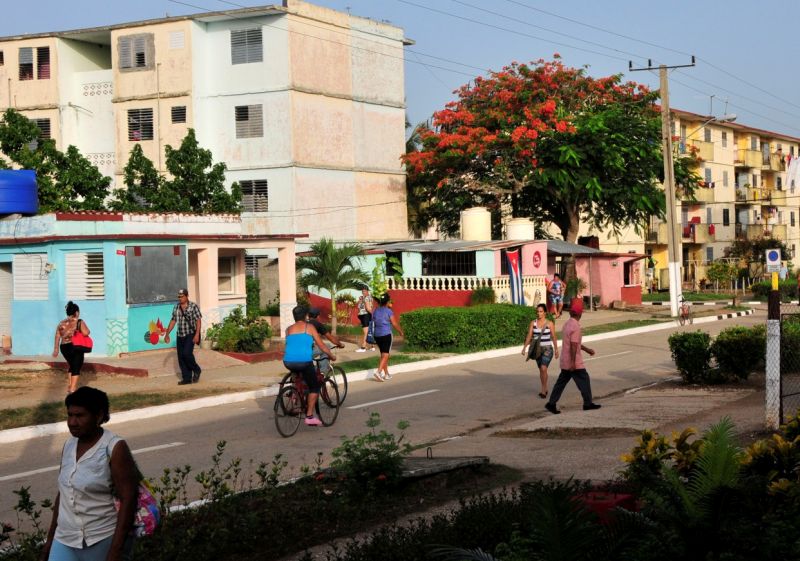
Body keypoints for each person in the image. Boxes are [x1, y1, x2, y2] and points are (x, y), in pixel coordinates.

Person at [40, 386, 138, 561]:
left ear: (98, 416)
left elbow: (129, 498)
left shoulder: (114, 447)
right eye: (70, 415)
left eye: (79, 416)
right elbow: (63, 494)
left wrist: (115, 551)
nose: (72, 422)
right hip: (64, 540)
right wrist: (50, 541)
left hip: (102, 538)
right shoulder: (69, 445)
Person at [544, 298, 601, 414]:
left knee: (561, 383)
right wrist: (574, 363)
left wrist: (587, 350)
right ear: (580, 314)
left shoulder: (567, 324)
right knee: (584, 379)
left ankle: (551, 404)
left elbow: (575, 343)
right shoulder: (576, 327)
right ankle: (587, 403)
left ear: (570, 312)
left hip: (565, 360)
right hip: (573, 362)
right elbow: (574, 346)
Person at [283, 305, 337, 426]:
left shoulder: (288, 329)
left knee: (298, 377)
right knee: (315, 387)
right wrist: (332, 356)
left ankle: (295, 393)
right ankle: (309, 416)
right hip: (304, 361)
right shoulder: (310, 327)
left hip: (287, 361)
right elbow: (322, 346)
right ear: (306, 316)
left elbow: (292, 345)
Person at [164, 288, 202, 386]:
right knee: (181, 357)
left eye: (182, 296)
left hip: (190, 334)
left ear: (186, 296)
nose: (180, 298)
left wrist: (197, 334)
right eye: (179, 297)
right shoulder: (176, 307)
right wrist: (167, 334)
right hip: (180, 335)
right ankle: (187, 378)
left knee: (186, 354)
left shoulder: (193, 306)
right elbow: (173, 320)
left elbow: (198, 320)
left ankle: (196, 369)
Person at [521, 303, 559, 399]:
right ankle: (545, 388)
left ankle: (543, 389)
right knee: (541, 370)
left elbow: (554, 337)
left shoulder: (550, 323)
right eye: (537, 311)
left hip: (547, 349)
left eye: (541, 311)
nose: (539, 313)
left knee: (543, 368)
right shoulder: (533, 323)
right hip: (537, 350)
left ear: (545, 313)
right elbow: (529, 336)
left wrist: (556, 349)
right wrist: (524, 347)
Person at [53, 301, 91, 395]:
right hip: (75, 346)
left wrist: (56, 349)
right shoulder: (79, 321)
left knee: (72, 365)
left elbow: (57, 336)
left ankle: (70, 385)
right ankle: (73, 389)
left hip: (64, 347)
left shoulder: (61, 323)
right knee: (76, 367)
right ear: (77, 312)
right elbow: (86, 332)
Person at [371, 293, 405, 382]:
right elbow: (394, 323)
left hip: (377, 335)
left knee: (383, 354)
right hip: (386, 334)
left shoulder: (375, 310)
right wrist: (400, 331)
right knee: (386, 355)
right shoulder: (389, 311)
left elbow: (374, 321)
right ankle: (378, 372)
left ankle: (386, 374)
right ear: (387, 302)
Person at [307, 307, 344, 373]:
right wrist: (340, 344)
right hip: (307, 352)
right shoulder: (317, 324)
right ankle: (323, 370)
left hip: (292, 354)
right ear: (318, 316)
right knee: (327, 346)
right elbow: (331, 338)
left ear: (308, 315)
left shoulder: (303, 323)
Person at [355, 286, 375, 352]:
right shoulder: (364, 298)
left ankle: (363, 347)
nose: (363, 292)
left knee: (366, 332)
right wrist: (360, 301)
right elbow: (359, 307)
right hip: (364, 315)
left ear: (367, 291)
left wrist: (373, 314)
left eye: (364, 291)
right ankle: (372, 346)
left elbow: (368, 308)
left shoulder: (367, 298)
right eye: (362, 291)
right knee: (368, 331)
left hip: (365, 315)